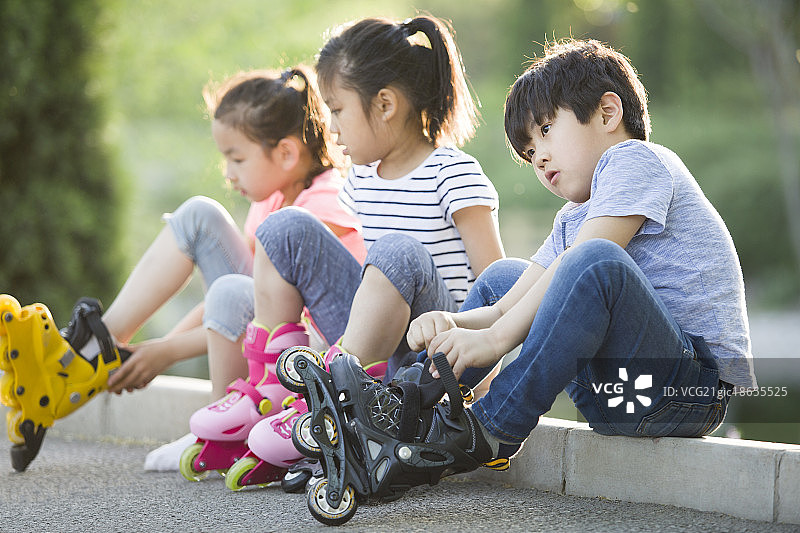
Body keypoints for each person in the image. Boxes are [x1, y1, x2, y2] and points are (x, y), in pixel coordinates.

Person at [302, 38, 758, 512]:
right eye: (528, 150)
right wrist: (453, 324)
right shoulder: (575, 217)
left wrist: (497, 341)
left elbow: (586, 264)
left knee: (592, 262)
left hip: (686, 390)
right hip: (618, 395)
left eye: (545, 130)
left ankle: (492, 428)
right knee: (503, 275)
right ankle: (404, 408)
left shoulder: (639, 161)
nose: (538, 157)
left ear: (606, 113)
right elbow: (504, 306)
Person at [231, 14, 505, 481]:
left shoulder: (453, 175)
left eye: (337, 110)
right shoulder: (360, 179)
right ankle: (283, 392)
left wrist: (482, 389)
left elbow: (500, 292)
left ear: (384, 105)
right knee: (283, 228)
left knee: (397, 251)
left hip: (437, 355)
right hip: (378, 346)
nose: (330, 128)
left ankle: (334, 403)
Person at [96, 66, 365, 471]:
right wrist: (158, 349)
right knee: (199, 216)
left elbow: (275, 314)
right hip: (271, 340)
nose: (228, 172)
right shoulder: (269, 202)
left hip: (320, 346)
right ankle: (98, 341)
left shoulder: (324, 206)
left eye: (236, 158)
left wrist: (166, 352)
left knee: (228, 289)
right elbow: (236, 300)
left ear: (287, 154)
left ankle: (221, 432)